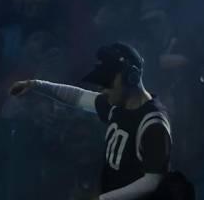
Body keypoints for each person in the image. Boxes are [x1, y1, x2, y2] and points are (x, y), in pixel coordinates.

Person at [10, 42, 172, 199]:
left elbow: (153, 181)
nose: (102, 88)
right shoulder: (117, 106)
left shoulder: (153, 124)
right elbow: (77, 97)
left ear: (132, 77)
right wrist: (35, 85)